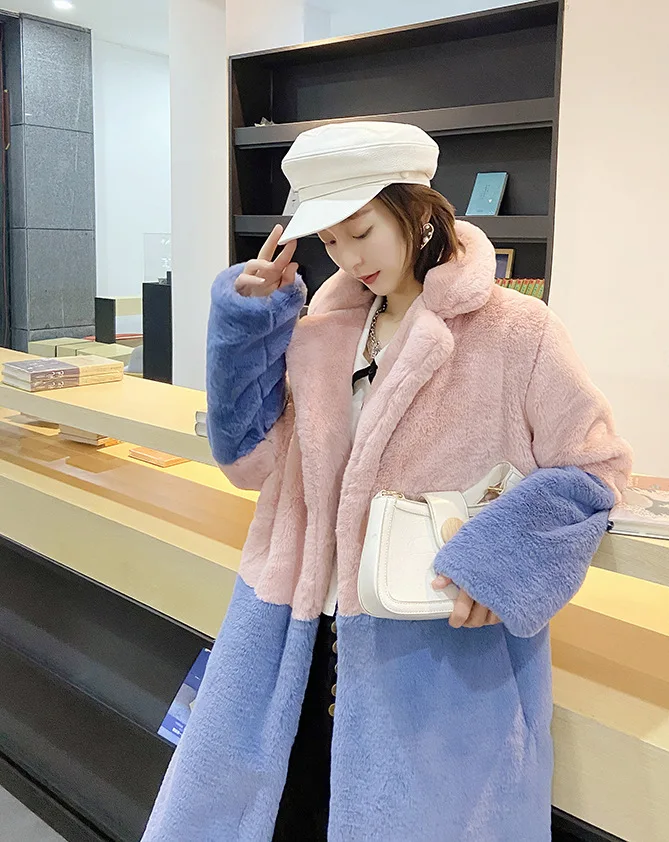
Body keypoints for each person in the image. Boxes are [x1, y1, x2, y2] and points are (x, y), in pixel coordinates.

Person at [142, 121, 632, 842]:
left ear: (415, 208)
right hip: (292, 633)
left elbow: (596, 467)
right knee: (278, 816)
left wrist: (500, 562)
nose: (347, 257)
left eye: (361, 230)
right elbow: (245, 460)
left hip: (431, 649)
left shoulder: (517, 331)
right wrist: (250, 326)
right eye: (329, 240)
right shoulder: (321, 330)